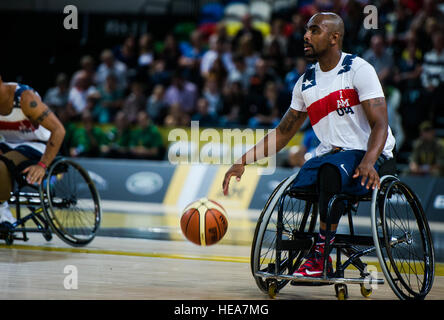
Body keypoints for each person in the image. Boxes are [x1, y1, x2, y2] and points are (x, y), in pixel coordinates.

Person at [222, 12, 396, 278]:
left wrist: (370, 160)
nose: (306, 36)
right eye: (306, 30)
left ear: (334, 37)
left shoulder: (358, 69)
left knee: (329, 170)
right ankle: (297, 254)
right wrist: (243, 160)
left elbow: (381, 124)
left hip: (371, 154)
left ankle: (320, 256)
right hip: (334, 157)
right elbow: (283, 133)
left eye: (314, 31)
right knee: (303, 179)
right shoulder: (306, 82)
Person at [0, 77, 66, 224]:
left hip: (39, 145)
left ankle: (4, 214)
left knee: (1, 164)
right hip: (10, 144)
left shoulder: (25, 98)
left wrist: (43, 165)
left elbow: (59, 130)